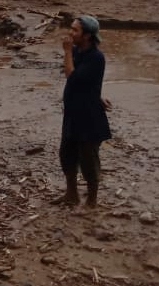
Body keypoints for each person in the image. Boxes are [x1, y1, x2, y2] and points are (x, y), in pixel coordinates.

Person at [55, 16, 112, 208]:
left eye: (75, 30)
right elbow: (88, 85)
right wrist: (98, 96)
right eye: (71, 29)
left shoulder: (96, 58)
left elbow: (73, 77)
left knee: (88, 160)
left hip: (89, 118)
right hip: (73, 114)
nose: (71, 33)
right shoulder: (78, 51)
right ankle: (71, 194)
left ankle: (92, 200)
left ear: (87, 35)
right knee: (66, 155)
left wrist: (67, 52)